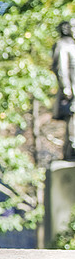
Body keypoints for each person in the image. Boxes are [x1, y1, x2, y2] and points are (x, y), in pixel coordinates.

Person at [52, 20, 75, 160]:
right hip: (71, 91)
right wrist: (66, 88)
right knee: (72, 119)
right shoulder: (62, 45)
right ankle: (71, 148)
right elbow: (61, 68)